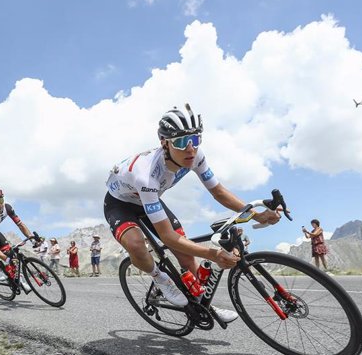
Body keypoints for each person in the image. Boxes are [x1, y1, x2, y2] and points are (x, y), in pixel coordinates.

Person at [104, 104, 282, 323]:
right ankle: (161, 279)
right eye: (180, 142)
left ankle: (206, 307)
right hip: (120, 203)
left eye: (195, 139)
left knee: (187, 255)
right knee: (136, 244)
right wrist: (212, 254)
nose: (190, 149)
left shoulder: (196, 156)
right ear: (164, 143)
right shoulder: (146, 174)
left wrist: (257, 214)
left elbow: (218, 191)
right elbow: (168, 237)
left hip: (148, 199)